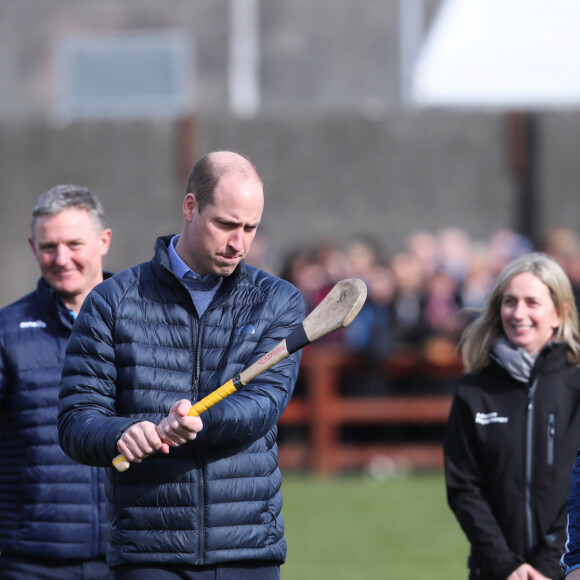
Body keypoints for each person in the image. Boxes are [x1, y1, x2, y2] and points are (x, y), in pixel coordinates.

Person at [58, 151, 306, 580]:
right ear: (190, 207)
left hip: (247, 550)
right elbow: (76, 421)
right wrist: (122, 432)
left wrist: (196, 422)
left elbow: (263, 405)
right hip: (148, 552)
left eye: (250, 228)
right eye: (226, 224)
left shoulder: (278, 300)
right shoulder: (112, 300)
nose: (239, 243)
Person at [443, 252, 580, 580]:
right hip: (494, 571)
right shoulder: (473, 390)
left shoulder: (576, 387)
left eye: (532, 302)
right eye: (509, 302)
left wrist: (548, 565)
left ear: (559, 313)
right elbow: (463, 487)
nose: (518, 313)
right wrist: (507, 564)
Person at [0, 185, 113, 579]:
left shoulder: (149, 322)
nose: (61, 259)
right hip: (31, 560)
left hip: (133, 556)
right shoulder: (6, 332)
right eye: (49, 246)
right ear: (33, 247)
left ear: (103, 241)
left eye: (73, 244)